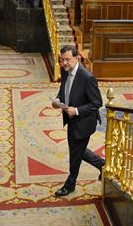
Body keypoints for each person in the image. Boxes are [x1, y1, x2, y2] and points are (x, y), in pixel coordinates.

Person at [52, 45, 105, 197]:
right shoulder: (65, 70)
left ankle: (70, 184)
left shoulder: (87, 78)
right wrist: (57, 100)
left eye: (68, 60)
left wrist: (76, 110)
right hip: (71, 120)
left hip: (84, 122)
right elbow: (64, 90)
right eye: (62, 60)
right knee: (77, 150)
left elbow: (97, 103)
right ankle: (103, 165)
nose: (64, 63)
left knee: (75, 153)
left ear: (77, 58)